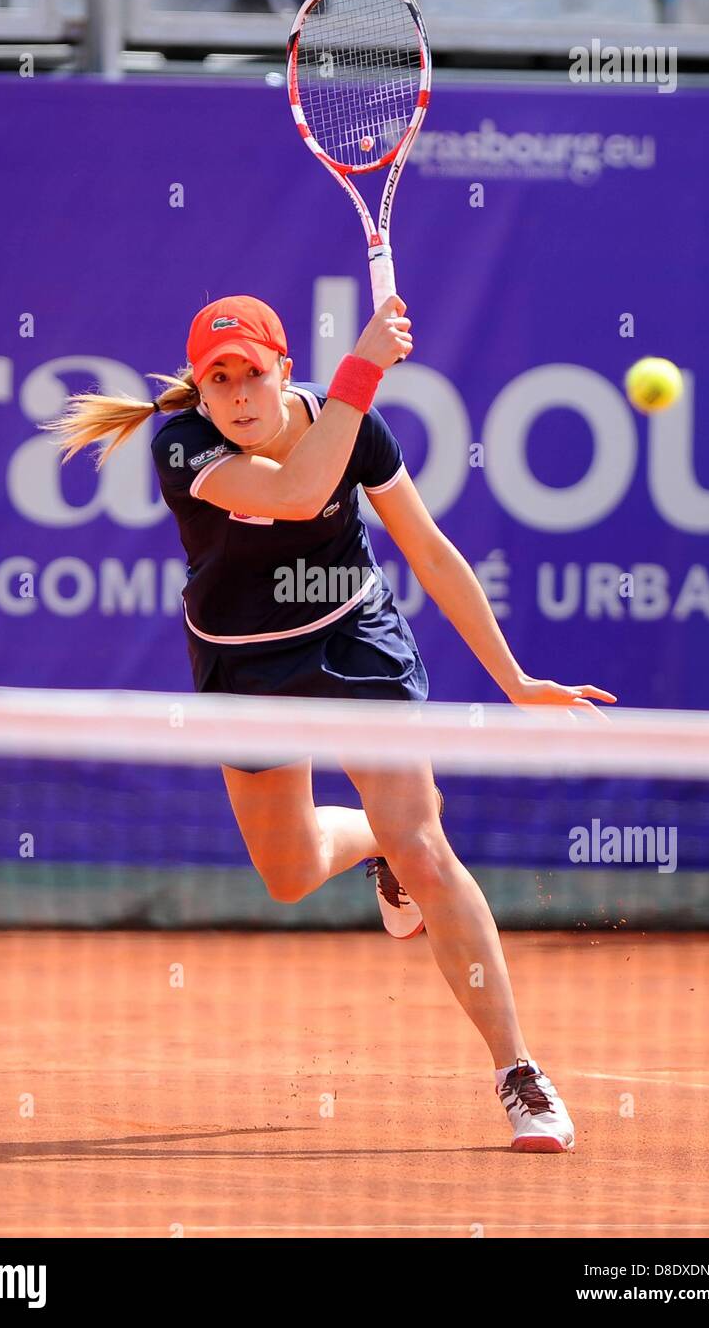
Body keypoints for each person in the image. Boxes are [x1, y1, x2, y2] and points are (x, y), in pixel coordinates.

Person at [41, 292, 616, 1153]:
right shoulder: (183, 445)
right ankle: (372, 846)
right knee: (290, 871)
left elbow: (429, 551)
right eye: (219, 379)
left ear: (282, 371)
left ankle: (519, 1073)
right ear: (200, 390)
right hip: (243, 667)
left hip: (355, 641)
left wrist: (517, 679)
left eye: (253, 375)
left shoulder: (351, 426)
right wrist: (366, 367)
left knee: (424, 845)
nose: (238, 395)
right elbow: (302, 489)